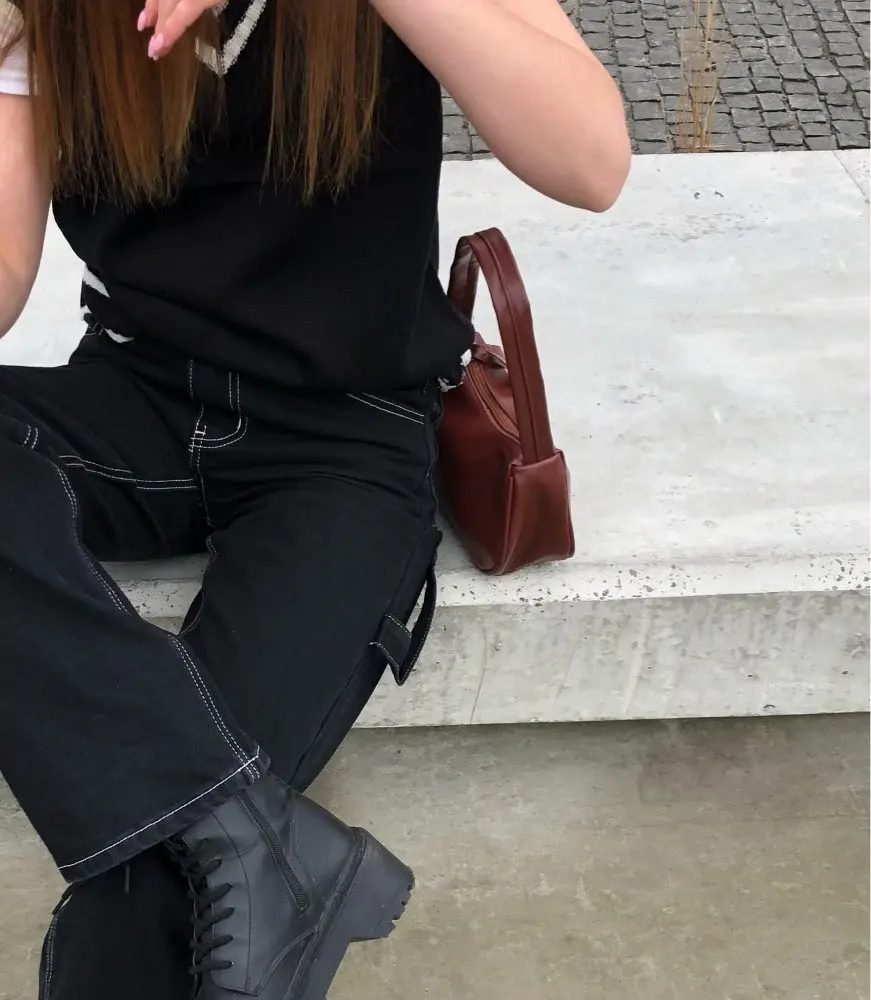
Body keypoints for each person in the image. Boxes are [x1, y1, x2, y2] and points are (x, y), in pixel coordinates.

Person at [0, 0, 630, 996]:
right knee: (205, 853)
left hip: (342, 436)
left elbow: (590, 160)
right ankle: (247, 831)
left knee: (154, 895)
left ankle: (230, 838)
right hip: (134, 392)